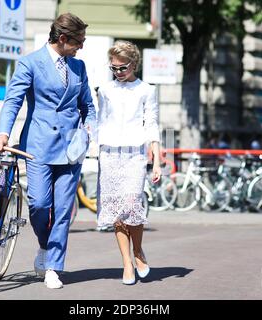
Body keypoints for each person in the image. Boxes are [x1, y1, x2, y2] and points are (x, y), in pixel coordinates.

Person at [0, 13, 96, 289]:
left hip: (71, 148)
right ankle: (45, 246)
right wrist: (3, 132)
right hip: (38, 146)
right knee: (39, 204)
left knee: (62, 210)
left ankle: (53, 267)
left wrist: (90, 130)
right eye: (78, 42)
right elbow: (13, 100)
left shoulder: (79, 67)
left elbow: (88, 107)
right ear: (62, 39)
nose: (81, 47)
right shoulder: (30, 63)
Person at [96, 40, 161, 285]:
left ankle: (138, 251)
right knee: (116, 210)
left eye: (122, 68)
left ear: (133, 64)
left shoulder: (147, 90)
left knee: (133, 204)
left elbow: (152, 123)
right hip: (110, 153)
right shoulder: (104, 89)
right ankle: (126, 263)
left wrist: (156, 159)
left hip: (135, 153)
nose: (118, 72)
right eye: (114, 68)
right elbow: (101, 121)